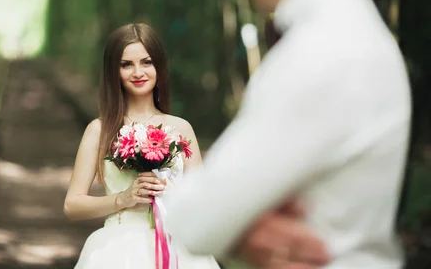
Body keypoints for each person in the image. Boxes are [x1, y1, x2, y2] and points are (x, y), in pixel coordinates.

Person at [164, 0, 412, 268]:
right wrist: (246, 230)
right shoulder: (364, 36)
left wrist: (231, 224)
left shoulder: (323, 49)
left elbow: (196, 221)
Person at [64, 23, 329, 268]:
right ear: (114, 71)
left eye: (147, 62)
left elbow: (203, 198)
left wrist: (172, 192)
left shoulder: (180, 128)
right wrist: (122, 199)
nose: (138, 72)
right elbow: (72, 205)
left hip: (178, 247)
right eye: (126, 65)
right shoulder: (100, 130)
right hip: (118, 249)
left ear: (159, 66)